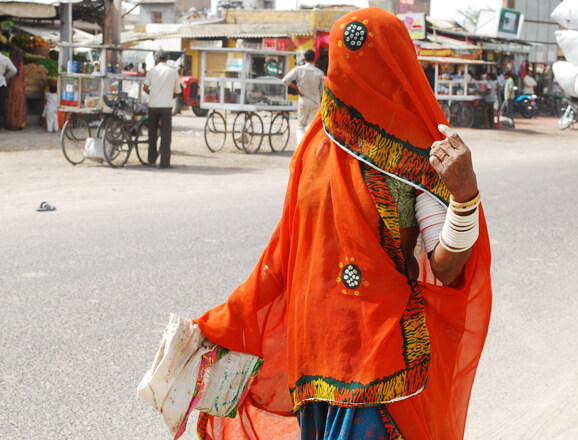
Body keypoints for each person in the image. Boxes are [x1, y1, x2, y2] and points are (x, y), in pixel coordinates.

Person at [189, 8, 492, 440]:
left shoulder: (419, 152)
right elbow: (283, 255)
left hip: (380, 357)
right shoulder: (316, 143)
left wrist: (464, 198)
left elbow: (446, 268)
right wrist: (223, 323)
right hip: (314, 356)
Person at [143, 50, 181, 168]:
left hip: (153, 106)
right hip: (166, 107)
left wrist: (153, 94)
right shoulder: (173, 72)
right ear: (167, 59)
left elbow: (145, 87)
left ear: (157, 59)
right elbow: (177, 92)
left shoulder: (152, 71)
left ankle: (151, 160)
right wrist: (169, 96)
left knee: (152, 134)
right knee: (166, 136)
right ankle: (164, 162)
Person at [282, 49, 325, 145]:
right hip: (315, 102)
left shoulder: (299, 70)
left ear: (304, 58)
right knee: (310, 127)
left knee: (300, 126)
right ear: (315, 59)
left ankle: (300, 148)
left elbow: (285, 80)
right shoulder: (319, 73)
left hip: (303, 100)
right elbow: (322, 92)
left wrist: (297, 88)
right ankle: (308, 148)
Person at [0, 49, 18, 130]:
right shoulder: (4, 58)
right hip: (1, 83)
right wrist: (6, 76)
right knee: (1, 105)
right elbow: (14, 70)